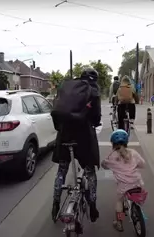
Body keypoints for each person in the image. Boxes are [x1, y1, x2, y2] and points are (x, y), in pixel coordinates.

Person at [51, 67, 102, 223]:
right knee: (90, 171)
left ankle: (55, 204)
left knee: (62, 170)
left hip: (64, 134)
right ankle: (92, 206)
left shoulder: (68, 88)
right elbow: (96, 118)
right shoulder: (93, 90)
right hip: (84, 136)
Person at [101, 129, 146, 232]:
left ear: (113, 143)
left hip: (124, 186)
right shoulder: (133, 152)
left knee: (119, 202)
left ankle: (119, 222)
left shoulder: (112, 157)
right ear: (126, 142)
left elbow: (104, 165)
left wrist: (106, 163)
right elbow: (143, 164)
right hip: (137, 183)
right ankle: (136, 208)